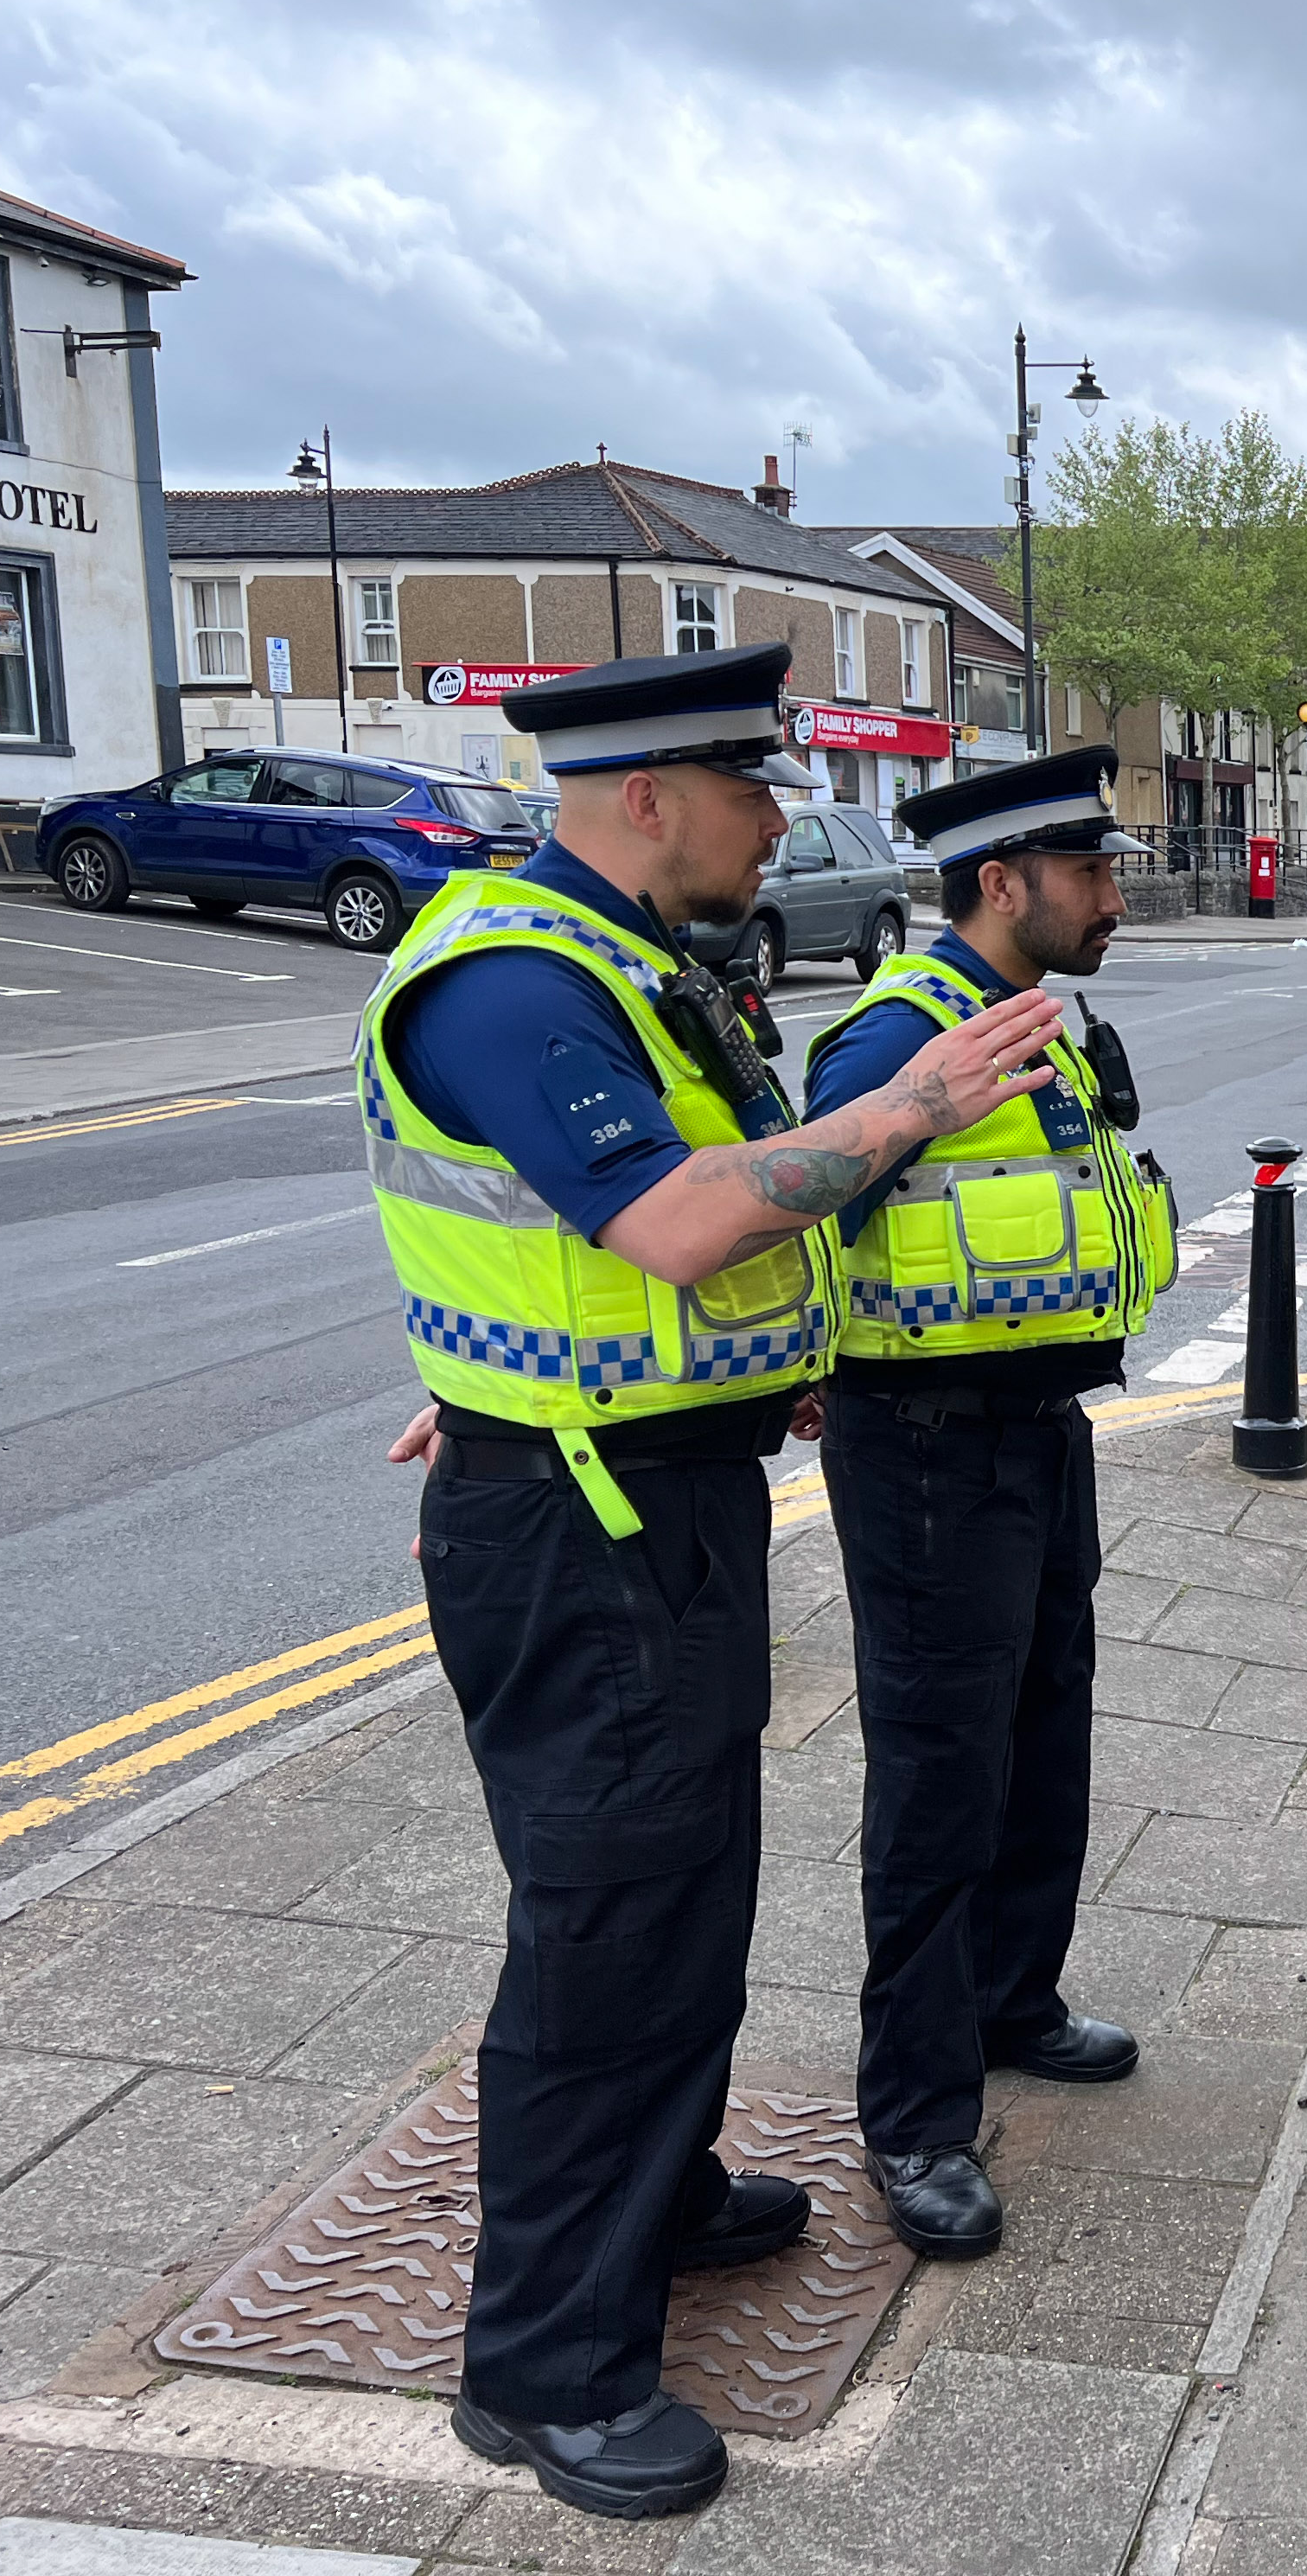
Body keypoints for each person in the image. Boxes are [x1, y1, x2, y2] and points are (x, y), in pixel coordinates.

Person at [367, 643, 1067, 2519]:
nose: (778, 823)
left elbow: (590, 1253)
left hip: (645, 1499)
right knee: (606, 1936)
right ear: (647, 796)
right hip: (581, 1532)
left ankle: (658, 2201)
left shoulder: (625, 960)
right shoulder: (515, 983)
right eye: (754, 790)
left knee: (679, 1905)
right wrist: (908, 1106)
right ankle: (547, 2369)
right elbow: (677, 1219)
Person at [800, 746, 1175, 2260]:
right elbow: (798, 1204)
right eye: (1091, 874)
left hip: (1036, 1435)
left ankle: (1015, 1999)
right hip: (925, 1454)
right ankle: (914, 2114)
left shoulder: (1033, 1026)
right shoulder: (902, 1040)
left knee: (1041, 1738)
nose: (1113, 900)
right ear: (1003, 882)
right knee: (939, 1785)